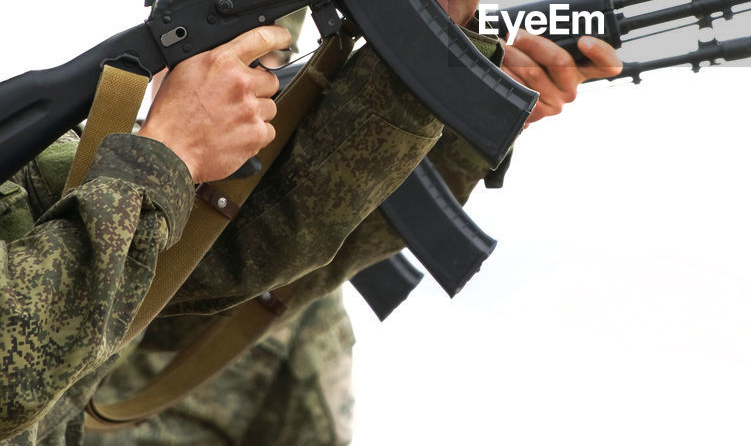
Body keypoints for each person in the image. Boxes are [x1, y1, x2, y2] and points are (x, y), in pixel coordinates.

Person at [0, 0, 606, 445]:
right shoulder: (123, 169)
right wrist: (170, 152)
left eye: (271, 65)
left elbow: (239, 249)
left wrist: (448, 5)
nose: (247, 89)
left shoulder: (78, 175)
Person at [85, 29, 622, 445]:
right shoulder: (88, 185)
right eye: (213, 61)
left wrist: (476, 109)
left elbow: (312, 236)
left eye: (268, 64)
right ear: (164, 75)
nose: (238, 88)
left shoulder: (301, 299)